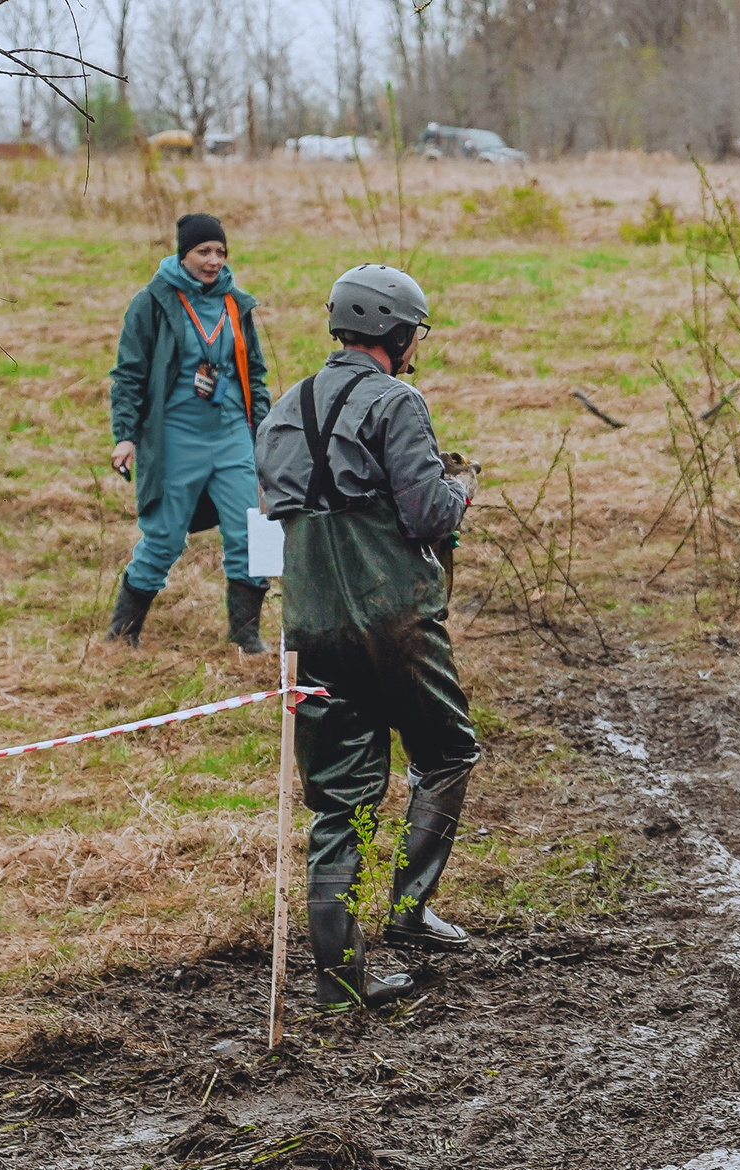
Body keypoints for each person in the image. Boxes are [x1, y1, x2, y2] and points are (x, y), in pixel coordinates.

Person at [253, 264, 481, 1012]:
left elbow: (276, 514)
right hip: (397, 619)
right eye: (414, 330)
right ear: (394, 331)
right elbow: (428, 517)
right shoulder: (398, 402)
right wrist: (464, 487)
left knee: (339, 797)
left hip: (311, 622)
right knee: (447, 751)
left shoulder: (283, 407)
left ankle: (340, 975)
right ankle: (412, 909)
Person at [107, 213, 273, 653]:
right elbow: (128, 374)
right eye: (204, 251)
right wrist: (125, 435)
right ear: (183, 254)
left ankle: (246, 636)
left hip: (233, 432)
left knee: (251, 531)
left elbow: (254, 372)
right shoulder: (152, 302)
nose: (213, 260)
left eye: (220, 252)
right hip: (175, 436)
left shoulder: (237, 304)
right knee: (164, 538)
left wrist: (263, 429)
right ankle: (122, 634)